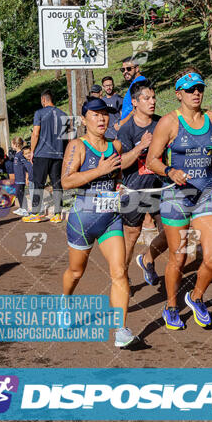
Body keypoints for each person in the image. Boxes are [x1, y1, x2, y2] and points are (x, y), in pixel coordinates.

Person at [146, 67, 212, 330]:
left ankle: (195, 297)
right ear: (178, 94)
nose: (196, 93)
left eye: (200, 88)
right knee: (179, 258)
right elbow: (152, 160)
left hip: (205, 193)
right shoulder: (169, 123)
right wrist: (170, 170)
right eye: (190, 89)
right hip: (177, 196)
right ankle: (171, 306)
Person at [61, 97, 136, 348]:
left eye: (105, 114)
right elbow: (66, 181)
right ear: (84, 120)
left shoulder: (116, 146)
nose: (102, 118)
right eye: (95, 114)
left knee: (120, 272)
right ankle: (65, 302)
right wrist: (100, 171)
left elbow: (117, 178)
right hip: (82, 219)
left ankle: (121, 330)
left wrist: (120, 188)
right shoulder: (77, 146)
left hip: (110, 218)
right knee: (76, 272)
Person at [118, 79, 168, 284]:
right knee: (131, 236)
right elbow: (120, 164)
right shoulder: (126, 130)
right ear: (135, 102)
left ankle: (147, 258)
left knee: (170, 233)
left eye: (154, 97)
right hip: (134, 189)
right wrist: (141, 146)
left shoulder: (162, 123)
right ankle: (122, 276)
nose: (152, 101)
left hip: (160, 187)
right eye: (146, 98)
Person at [23, 89, 67, 224]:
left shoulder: (40, 113)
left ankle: (36, 213)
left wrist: (32, 151)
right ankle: (58, 214)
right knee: (57, 183)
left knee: (38, 183)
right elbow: (68, 138)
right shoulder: (64, 114)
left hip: (42, 154)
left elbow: (35, 133)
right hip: (58, 154)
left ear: (43, 99)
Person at [11, 137, 29, 216]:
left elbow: (26, 165)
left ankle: (24, 209)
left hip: (21, 177)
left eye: (12, 144)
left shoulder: (21, 154)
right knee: (18, 193)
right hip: (18, 178)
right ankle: (22, 208)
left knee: (21, 193)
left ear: (16, 144)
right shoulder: (17, 154)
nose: (11, 146)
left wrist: (27, 177)